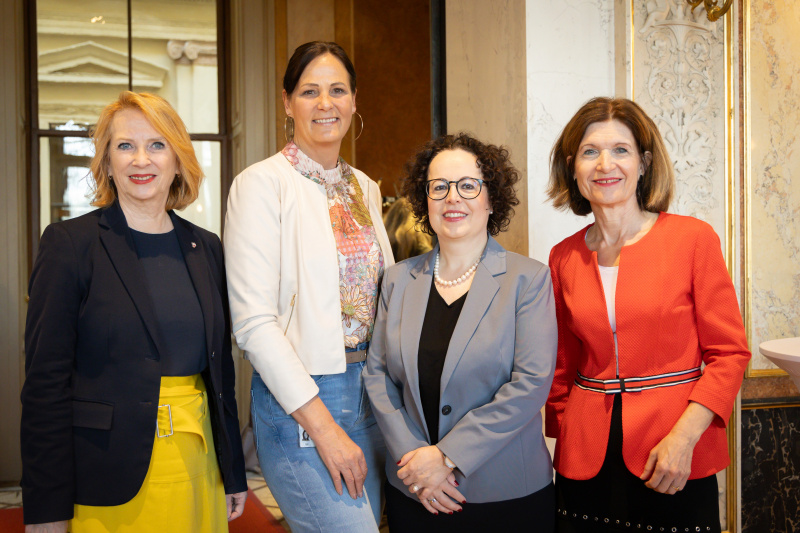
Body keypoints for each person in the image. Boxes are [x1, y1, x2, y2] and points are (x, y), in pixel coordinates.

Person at [20, 91, 248, 533]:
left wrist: (233, 469)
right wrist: (46, 509)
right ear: (106, 162)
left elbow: (220, 377)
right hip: (108, 473)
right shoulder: (70, 245)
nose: (141, 159)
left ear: (179, 160)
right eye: (125, 146)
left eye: (157, 145)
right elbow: (45, 387)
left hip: (198, 464)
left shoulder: (207, 248)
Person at [545, 97, 751, 533]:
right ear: (572, 167)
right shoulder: (562, 257)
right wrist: (565, 437)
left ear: (644, 162)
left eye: (621, 149)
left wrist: (684, 438)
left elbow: (729, 354)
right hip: (585, 458)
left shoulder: (692, 240)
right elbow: (561, 366)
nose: (605, 164)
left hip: (672, 451)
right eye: (589, 152)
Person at [224, 41, 394, 532]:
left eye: (337, 90)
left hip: (372, 391)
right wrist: (323, 426)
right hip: (304, 400)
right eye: (309, 91)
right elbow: (254, 323)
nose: (325, 104)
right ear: (287, 102)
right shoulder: (261, 185)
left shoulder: (364, 187)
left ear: (354, 101)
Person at [363, 133, 558, 532]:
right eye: (439, 187)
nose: (453, 198)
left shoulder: (528, 278)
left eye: (468, 186)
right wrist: (415, 460)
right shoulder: (398, 279)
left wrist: (446, 457)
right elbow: (377, 376)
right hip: (415, 489)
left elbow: (530, 384)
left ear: (491, 199)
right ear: (425, 200)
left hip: (505, 497)